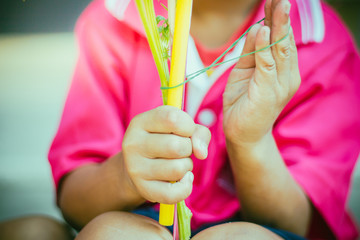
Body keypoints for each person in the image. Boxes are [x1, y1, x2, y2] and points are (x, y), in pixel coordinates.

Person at [48, 0, 360, 239]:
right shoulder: (113, 20)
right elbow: (75, 201)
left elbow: (297, 225)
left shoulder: (323, 43)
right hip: (135, 218)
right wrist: (126, 177)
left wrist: (251, 140)